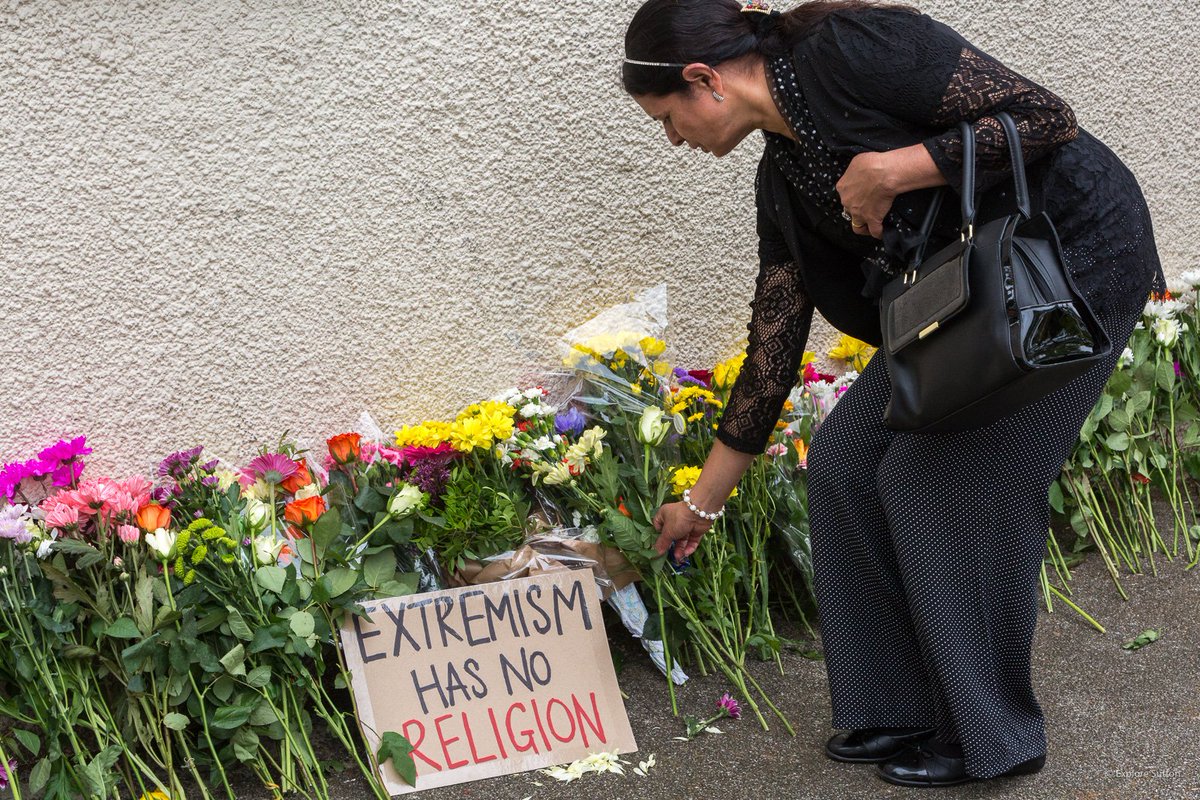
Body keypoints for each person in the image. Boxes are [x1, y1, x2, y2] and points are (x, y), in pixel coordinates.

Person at [629, 0, 1167, 789]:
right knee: (845, 461)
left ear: (704, 80)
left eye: (666, 118)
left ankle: (993, 733)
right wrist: (701, 506)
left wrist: (898, 167)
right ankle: (898, 705)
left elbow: (1047, 117)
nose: (672, 139)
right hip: (962, 309)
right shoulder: (784, 179)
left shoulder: (851, 48)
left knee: (938, 480)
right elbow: (772, 352)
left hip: (1064, 268)